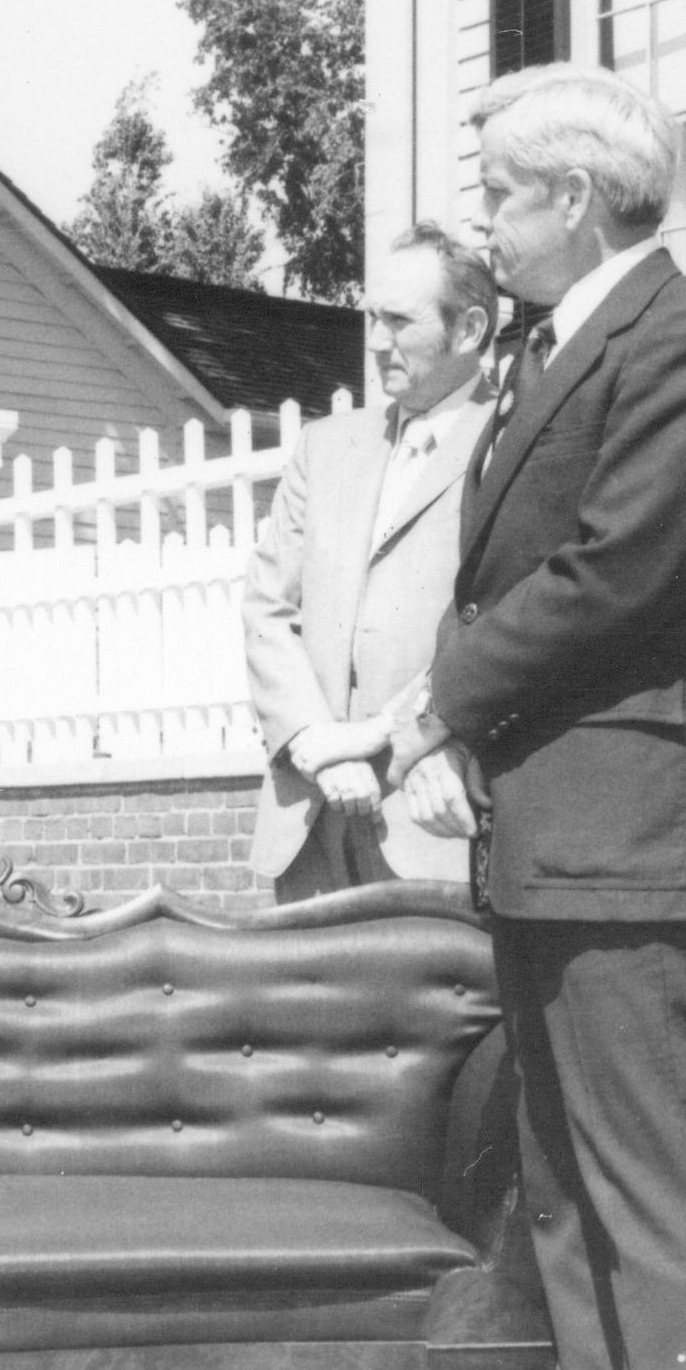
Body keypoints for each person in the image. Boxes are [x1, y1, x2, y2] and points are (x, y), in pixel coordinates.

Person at [389, 64, 686, 1370]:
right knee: (565, 1191)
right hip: (550, 831)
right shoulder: (548, 349)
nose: (478, 216)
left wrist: (432, 705)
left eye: (494, 187)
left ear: (570, 196)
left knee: (655, 1195)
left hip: (633, 827)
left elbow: (614, 572)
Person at [242, 224, 498, 899]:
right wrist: (315, 744)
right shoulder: (324, 447)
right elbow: (268, 610)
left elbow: (502, 623)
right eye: (371, 318)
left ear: (469, 328)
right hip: (310, 823)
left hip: (430, 821)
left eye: (399, 321)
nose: (376, 340)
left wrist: (375, 741)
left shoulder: (512, 444)